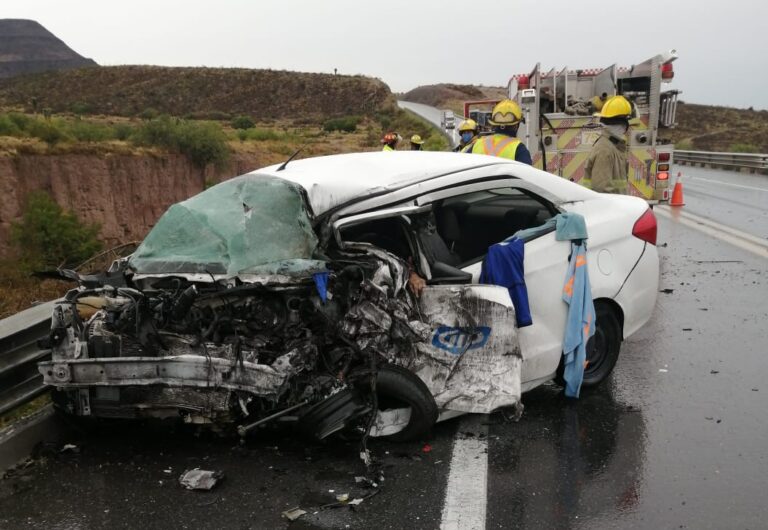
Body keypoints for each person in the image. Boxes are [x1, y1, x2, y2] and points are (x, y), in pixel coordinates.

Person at [585, 95, 633, 194]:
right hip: (611, 207)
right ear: (620, 124)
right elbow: (602, 189)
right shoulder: (605, 150)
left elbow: (617, 184)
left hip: (618, 205)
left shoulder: (613, 146)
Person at [470, 99, 532, 165]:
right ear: (516, 125)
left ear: (494, 124)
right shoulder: (519, 149)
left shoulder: (477, 144)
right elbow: (527, 173)